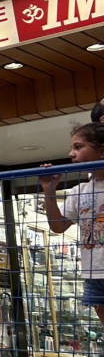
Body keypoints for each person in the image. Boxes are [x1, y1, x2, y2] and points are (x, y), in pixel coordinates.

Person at [40, 123, 104, 324]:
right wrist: (49, 190)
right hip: (93, 271)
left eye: (78, 147)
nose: (71, 153)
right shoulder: (80, 190)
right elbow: (57, 226)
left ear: (102, 151)